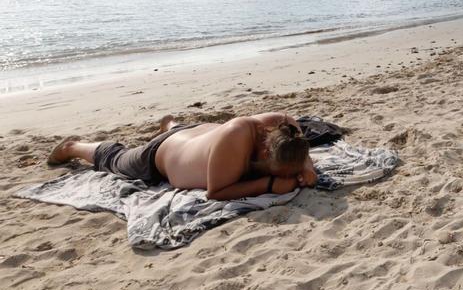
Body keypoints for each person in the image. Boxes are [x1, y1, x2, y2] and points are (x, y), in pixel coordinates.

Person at [47, 112, 318, 201]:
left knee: (185, 138)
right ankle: (73, 147)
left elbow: (295, 131)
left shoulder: (284, 127)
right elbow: (216, 192)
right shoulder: (237, 137)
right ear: (266, 151)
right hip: (159, 156)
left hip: (195, 138)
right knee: (115, 159)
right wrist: (269, 185)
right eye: (274, 170)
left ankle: (172, 124)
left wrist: (306, 166)